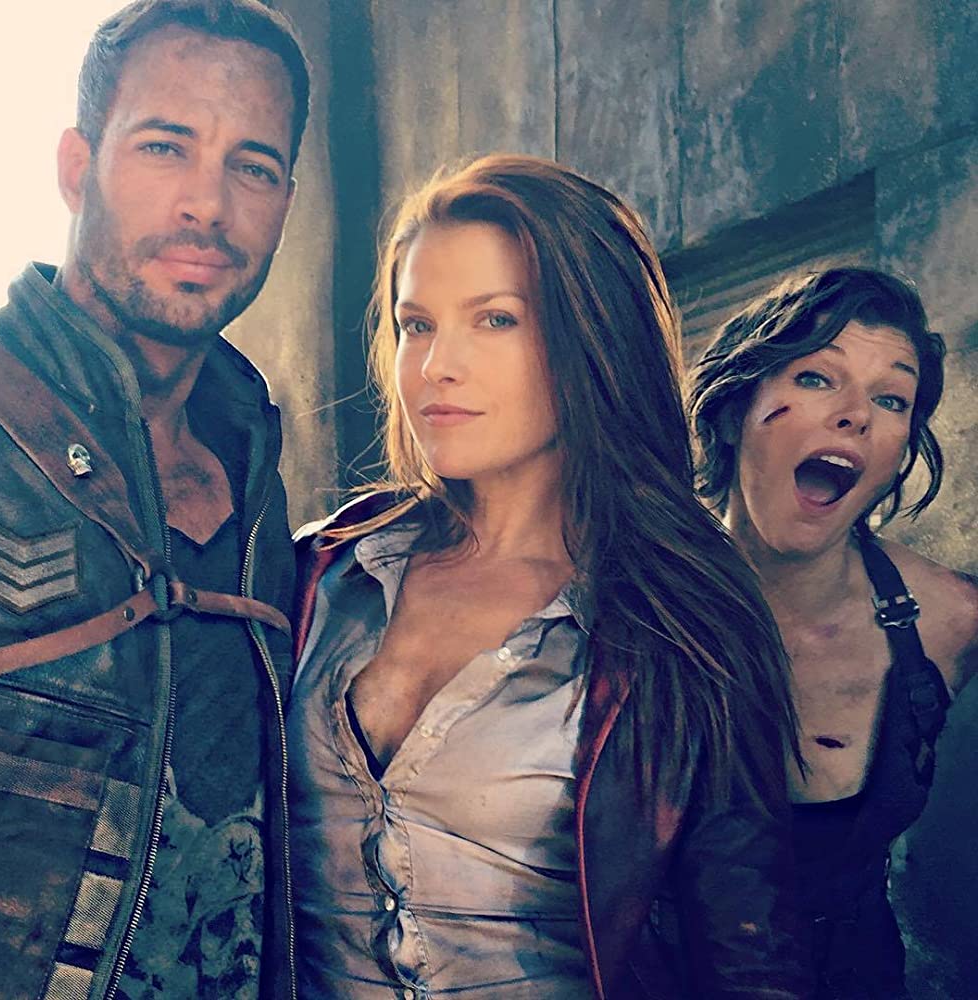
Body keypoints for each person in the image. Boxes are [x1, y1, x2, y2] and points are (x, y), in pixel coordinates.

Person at [287, 153, 810, 999]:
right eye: (417, 324)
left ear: (592, 337)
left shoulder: (683, 614)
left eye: (495, 320)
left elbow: (748, 953)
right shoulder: (326, 571)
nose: (436, 366)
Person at [0, 2, 309, 998]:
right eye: (166, 146)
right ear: (77, 166)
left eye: (253, 166)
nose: (208, 204)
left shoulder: (256, 471)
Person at [689, 267, 978, 998]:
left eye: (890, 399)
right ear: (735, 408)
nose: (855, 415)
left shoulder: (951, 621)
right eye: (817, 378)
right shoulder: (625, 610)